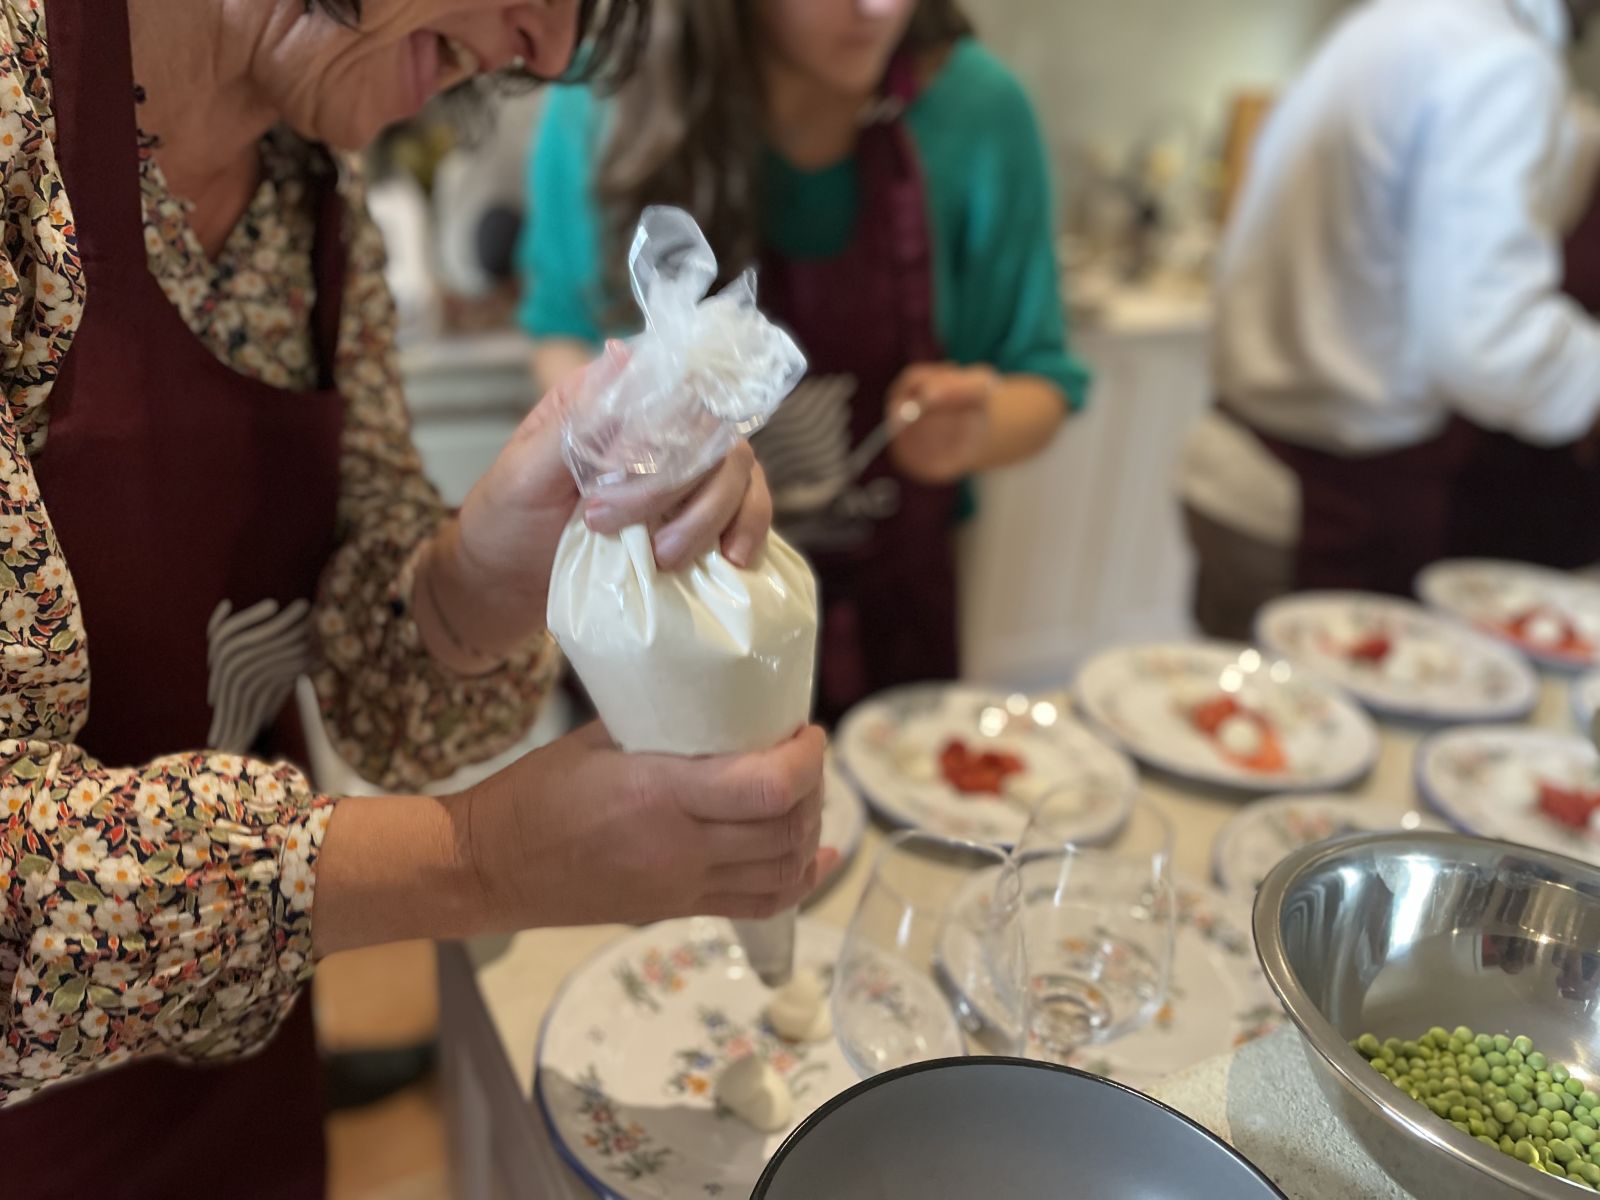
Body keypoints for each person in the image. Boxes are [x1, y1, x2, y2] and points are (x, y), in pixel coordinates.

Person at [0, 1, 831, 1195]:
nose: (544, 54)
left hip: (244, 1046)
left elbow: (378, 688)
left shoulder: (312, 181)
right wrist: (477, 862)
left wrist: (494, 567)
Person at [520, 0, 1088, 722]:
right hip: (669, 623)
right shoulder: (604, 98)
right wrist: (620, 436)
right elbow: (560, 331)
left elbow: (1042, 378)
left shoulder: (980, 113)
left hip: (891, 624)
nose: (881, 8)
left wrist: (977, 429)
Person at [1179, 0, 1600, 641]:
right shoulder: (1503, 61)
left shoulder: (1396, 22)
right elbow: (1486, 342)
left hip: (1243, 469)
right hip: (1323, 495)